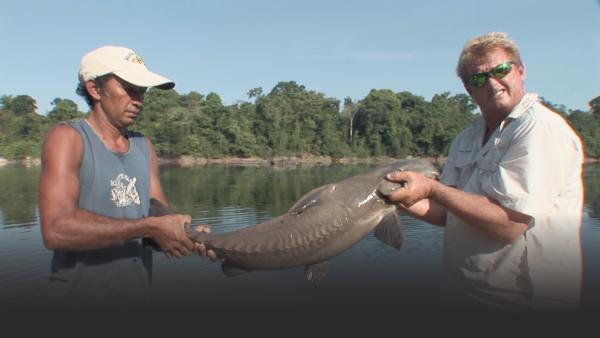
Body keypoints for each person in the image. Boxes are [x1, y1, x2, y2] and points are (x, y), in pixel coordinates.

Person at [384, 32, 583, 312]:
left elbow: (510, 225)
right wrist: (396, 196)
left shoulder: (539, 128)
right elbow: (448, 213)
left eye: (500, 70)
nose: (492, 82)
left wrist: (431, 188)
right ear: (468, 89)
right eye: (478, 78)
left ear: (520, 71)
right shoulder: (467, 137)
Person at [39, 45, 216, 307]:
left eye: (142, 92)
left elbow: (156, 213)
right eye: (129, 89)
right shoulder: (68, 138)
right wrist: (149, 227)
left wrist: (187, 235)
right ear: (95, 89)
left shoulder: (144, 146)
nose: (138, 100)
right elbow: (56, 230)